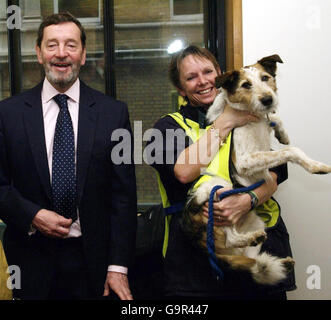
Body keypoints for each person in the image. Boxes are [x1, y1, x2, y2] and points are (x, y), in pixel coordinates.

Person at [0, 12, 137, 300]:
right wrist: (33, 215)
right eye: (52, 45)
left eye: (71, 45)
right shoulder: (8, 114)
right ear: (39, 53)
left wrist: (117, 267)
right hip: (28, 260)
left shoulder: (113, 113)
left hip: (93, 266)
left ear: (83, 55)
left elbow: (123, 198)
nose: (61, 54)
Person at [147, 45, 295, 299]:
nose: (203, 81)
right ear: (181, 90)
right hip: (197, 268)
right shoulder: (166, 127)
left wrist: (248, 200)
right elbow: (183, 173)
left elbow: (274, 174)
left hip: (260, 253)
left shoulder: (252, 114)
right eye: (191, 77)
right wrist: (225, 121)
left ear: (220, 76)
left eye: (208, 72)